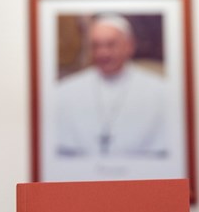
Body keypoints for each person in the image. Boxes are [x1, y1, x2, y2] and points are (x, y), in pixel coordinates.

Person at [56, 14, 168, 158]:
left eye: (110, 44)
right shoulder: (64, 91)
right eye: (96, 46)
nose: (103, 53)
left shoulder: (160, 91)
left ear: (130, 46)